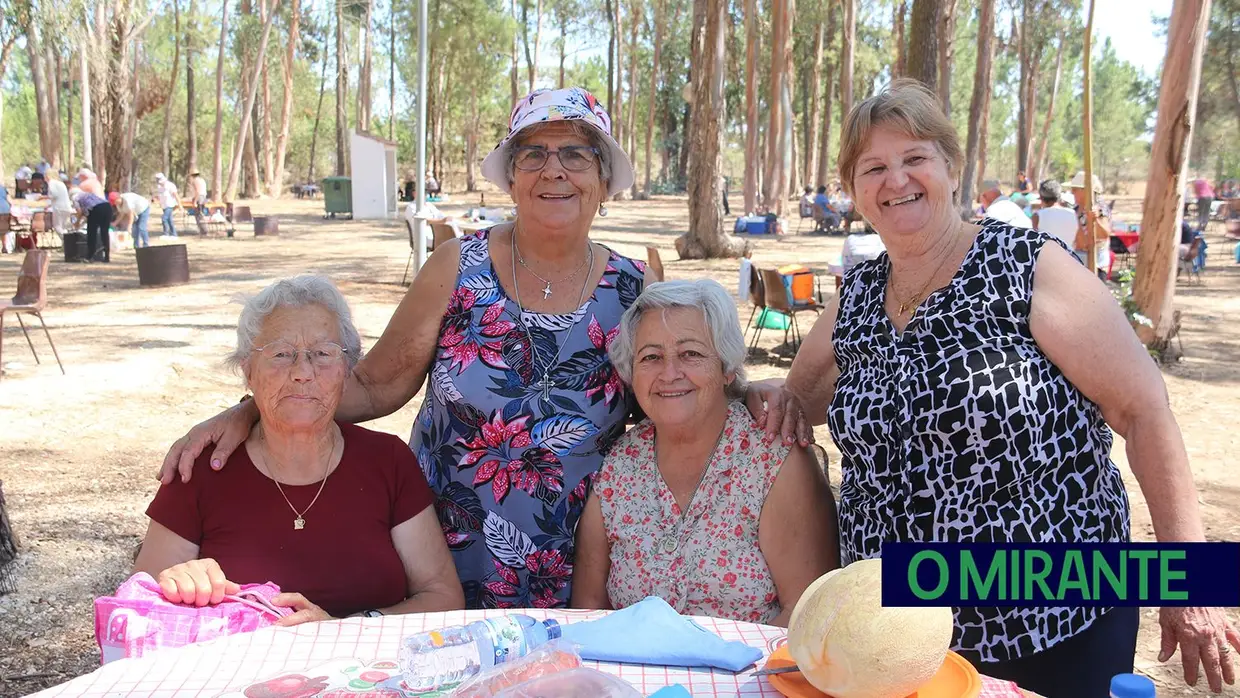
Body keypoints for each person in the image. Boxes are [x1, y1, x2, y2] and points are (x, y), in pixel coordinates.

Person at [155, 87, 810, 610]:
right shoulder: (456, 267)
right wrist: (250, 409)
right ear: (512, 178)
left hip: (580, 571)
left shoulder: (635, 286)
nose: (554, 169)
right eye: (534, 154)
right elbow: (372, 385)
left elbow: (673, 395)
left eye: (576, 154)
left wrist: (747, 392)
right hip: (441, 556)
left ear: (604, 181)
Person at [761, 79, 1239, 697]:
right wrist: (758, 391)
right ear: (854, 191)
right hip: (893, 638)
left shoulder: (1026, 267)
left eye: (914, 158)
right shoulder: (857, 296)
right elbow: (799, 400)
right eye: (873, 167)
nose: (895, 180)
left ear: (951, 167)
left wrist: (1191, 583)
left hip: (1052, 617)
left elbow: (1144, 411)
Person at [134, 276, 465, 621]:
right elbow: (141, 607)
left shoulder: (387, 461)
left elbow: (441, 596)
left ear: (345, 369)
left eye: (323, 354)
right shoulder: (203, 467)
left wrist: (343, 629)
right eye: (281, 354)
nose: (303, 372)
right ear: (248, 370)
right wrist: (174, 584)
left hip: (367, 672)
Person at [571, 280, 839, 626]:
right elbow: (588, 608)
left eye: (691, 354)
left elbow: (805, 612)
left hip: (750, 676)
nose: (670, 374)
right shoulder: (621, 465)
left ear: (727, 368)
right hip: (638, 676)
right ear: (631, 373)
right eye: (651, 357)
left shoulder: (772, 456)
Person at [1067, 171, 1112, 280]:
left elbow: (1104, 235)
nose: (1072, 193)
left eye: (1075, 190)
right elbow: (1079, 240)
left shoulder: (1100, 209)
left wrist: (1095, 219)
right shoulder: (1076, 209)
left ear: (1085, 191)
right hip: (1080, 261)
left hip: (1097, 264)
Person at [1030, 179, 1077, 252]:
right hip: (1070, 257)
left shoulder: (1037, 216)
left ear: (1041, 197)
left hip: (1047, 257)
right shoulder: (1073, 214)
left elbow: (1035, 241)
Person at [74, 187, 112, 262]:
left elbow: (79, 212)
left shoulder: (75, 198)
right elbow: (86, 213)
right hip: (107, 206)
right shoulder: (88, 194)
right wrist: (81, 222)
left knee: (92, 233)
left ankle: (90, 256)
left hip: (96, 209)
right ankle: (107, 256)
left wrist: (77, 223)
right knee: (104, 232)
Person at [154, 173, 181, 238]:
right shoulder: (159, 186)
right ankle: (174, 234)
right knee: (169, 220)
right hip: (164, 205)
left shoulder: (170, 185)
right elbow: (161, 195)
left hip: (170, 205)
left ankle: (166, 233)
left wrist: (180, 205)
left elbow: (176, 195)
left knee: (164, 219)